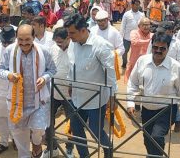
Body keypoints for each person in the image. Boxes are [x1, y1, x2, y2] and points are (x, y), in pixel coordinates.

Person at [127, 32, 180, 157]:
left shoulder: (175, 67)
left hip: (166, 110)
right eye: (155, 47)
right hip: (146, 109)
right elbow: (132, 83)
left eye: (162, 48)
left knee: (157, 137)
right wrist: (130, 102)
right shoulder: (142, 61)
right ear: (151, 46)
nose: (158, 51)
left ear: (168, 49)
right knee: (147, 139)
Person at [0, 24, 56, 158]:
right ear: (16, 38)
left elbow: (52, 70)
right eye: (20, 40)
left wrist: (44, 78)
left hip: (38, 101)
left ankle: (36, 143)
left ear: (34, 37)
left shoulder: (43, 51)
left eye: (27, 40)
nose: (24, 43)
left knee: (38, 129)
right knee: (19, 134)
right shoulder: (9, 51)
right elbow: (0, 70)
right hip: (16, 102)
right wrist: (9, 75)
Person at [64, 13, 117, 158]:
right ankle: (84, 156)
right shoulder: (73, 44)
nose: (70, 36)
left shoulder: (100, 45)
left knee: (95, 130)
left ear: (83, 30)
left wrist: (113, 96)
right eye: (68, 33)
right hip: (76, 97)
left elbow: (110, 72)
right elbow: (71, 66)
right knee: (76, 129)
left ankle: (108, 150)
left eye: (72, 33)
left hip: (95, 99)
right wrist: (70, 83)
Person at [42, 27, 75, 158]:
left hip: (70, 95)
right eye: (56, 42)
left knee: (72, 123)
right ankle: (52, 147)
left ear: (68, 38)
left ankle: (69, 149)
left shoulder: (75, 49)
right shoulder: (53, 48)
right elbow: (48, 67)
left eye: (61, 42)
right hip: (53, 92)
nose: (59, 44)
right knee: (48, 121)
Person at [0, 26, 16, 157]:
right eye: (4, 42)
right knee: (0, 117)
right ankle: (3, 142)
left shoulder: (20, 48)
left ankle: (16, 139)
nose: (6, 45)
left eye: (8, 42)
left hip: (14, 87)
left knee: (15, 116)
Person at [125, 17, 153, 82]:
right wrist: (150, 41)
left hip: (147, 64)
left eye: (147, 25)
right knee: (131, 83)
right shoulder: (134, 32)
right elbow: (135, 42)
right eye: (143, 25)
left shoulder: (152, 35)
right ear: (139, 26)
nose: (146, 27)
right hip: (134, 62)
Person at [120, 0, 144, 69]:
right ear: (132, 5)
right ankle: (124, 63)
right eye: (136, 5)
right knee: (124, 51)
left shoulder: (142, 15)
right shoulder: (126, 14)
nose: (137, 6)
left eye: (138, 5)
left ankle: (134, 65)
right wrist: (121, 37)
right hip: (127, 37)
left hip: (137, 38)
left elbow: (143, 26)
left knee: (136, 53)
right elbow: (122, 26)